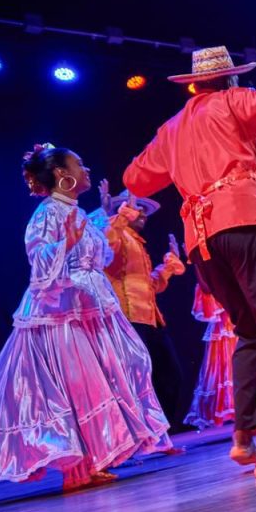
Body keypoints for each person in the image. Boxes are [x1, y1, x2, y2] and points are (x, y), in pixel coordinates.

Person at [123, 28, 256, 478]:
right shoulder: (233, 104)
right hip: (247, 222)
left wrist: (179, 165)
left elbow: (135, 178)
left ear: (194, 85)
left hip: (203, 243)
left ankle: (244, 436)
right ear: (230, 80)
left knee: (249, 332)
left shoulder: (171, 129)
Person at [0, 145, 171, 490]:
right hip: (63, 309)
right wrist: (64, 246)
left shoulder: (78, 213)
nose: (86, 169)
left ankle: (93, 458)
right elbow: (38, 258)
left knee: (116, 370)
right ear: (60, 173)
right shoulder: (48, 213)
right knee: (78, 385)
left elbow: (101, 253)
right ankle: (77, 467)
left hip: (92, 304)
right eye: (79, 164)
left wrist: (96, 224)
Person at [95, 184, 187, 429]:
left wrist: (167, 267)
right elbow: (104, 251)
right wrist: (114, 217)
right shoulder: (116, 235)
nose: (143, 214)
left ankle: (165, 427)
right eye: (139, 208)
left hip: (151, 318)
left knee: (170, 374)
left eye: (145, 210)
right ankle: (143, 430)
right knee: (139, 378)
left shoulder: (137, 242)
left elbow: (149, 285)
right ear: (124, 210)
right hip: (129, 317)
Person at [184, 276, 237, 430]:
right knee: (226, 352)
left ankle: (244, 406)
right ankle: (229, 407)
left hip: (233, 289)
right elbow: (204, 278)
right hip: (222, 294)